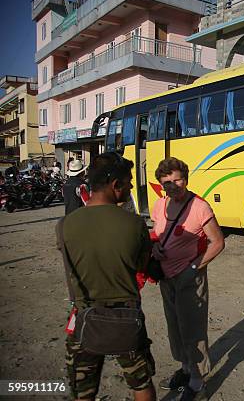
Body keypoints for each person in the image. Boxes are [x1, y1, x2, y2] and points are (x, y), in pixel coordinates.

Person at [57, 152, 156, 401]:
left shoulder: (64, 225)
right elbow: (141, 265)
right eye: (129, 181)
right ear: (115, 185)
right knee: (141, 384)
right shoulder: (134, 224)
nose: (132, 186)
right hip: (126, 319)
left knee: (83, 392)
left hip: (83, 320)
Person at [151, 157, 225, 401]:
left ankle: (197, 380)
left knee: (193, 329)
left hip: (190, 279)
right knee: (175, 326)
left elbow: (218, 242)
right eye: (167, 182)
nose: (173, 186)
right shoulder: (159, 205)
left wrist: (194, 267)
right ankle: (185, 369)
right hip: (167, 278)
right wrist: (155, 249)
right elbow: (158, 234)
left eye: (177, 180)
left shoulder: (200, 207)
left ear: (186, 178)